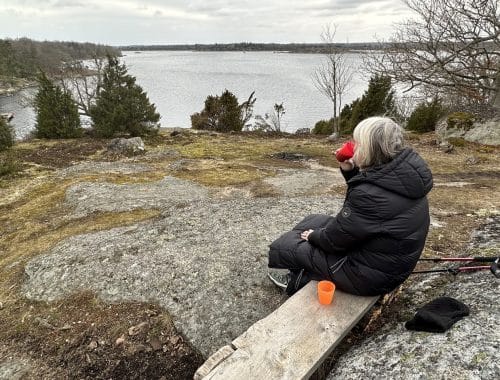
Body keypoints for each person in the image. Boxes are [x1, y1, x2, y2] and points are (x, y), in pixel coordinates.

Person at [267, 117, 433, 296]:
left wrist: (313, 237)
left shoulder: (369, 196)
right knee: (314, 220)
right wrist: (350, 170)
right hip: (386, 263)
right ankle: (308, 266)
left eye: (358, 143)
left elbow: (333, 241)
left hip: (367, 276)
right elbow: (372, 195)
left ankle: (297, 280)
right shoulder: (402, 172)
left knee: (288, 244)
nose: (353, 147)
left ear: (372, 149)